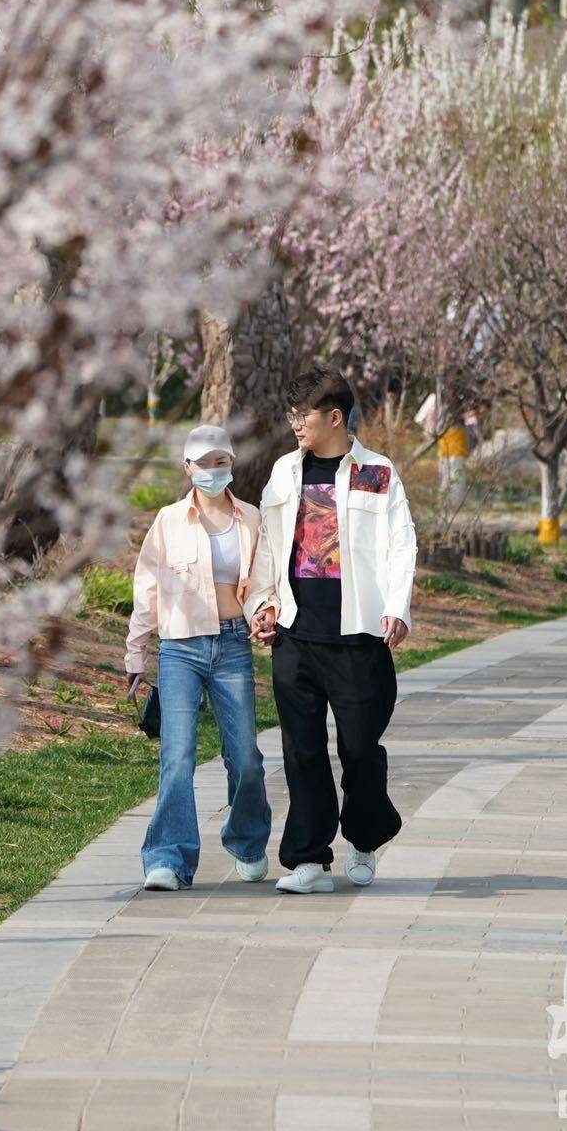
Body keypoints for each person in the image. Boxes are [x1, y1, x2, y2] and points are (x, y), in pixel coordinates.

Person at [246, 369, 415, 894]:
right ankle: (309, 861)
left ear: (334, 417)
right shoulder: (283, 472)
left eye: (305, 415)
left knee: (361, 749)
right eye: (293, 414)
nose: (295, 423)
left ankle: (364, 839)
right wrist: (263, 603)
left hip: (359, 637)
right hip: (296, 635)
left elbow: (401, 544)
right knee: (302, 751)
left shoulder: (377, 471)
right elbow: (271, 545)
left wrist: (397, 607)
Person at [124, 425, 273, 891]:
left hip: (233, 645)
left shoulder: (252, 518)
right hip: (180, 648)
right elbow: (147, 587)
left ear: (231, 464)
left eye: (220, 462)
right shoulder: (168, 520)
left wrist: (266, 611)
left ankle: (247, 842)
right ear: (186, 467)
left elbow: (265, 579)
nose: (212, 471)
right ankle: (166, 858)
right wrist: (136, 650)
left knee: (245, 756)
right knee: (178, 756)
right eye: (203, 463)